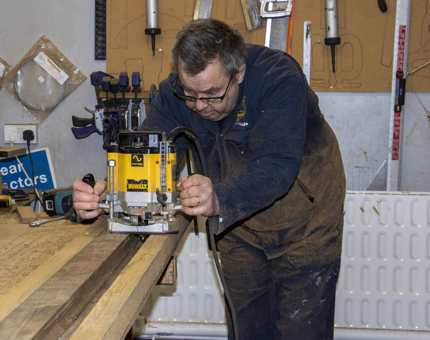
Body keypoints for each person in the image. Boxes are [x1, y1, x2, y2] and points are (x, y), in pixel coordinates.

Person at [73, 18, 346, 340]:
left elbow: (276, 166)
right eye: (190, 93)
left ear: (239, 73)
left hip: (305, 219)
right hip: (236, 224)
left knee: (300, 329)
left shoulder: (278, 78)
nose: (200, 106)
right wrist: (108, 194)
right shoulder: (173, 93)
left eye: (213, 94)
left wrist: (219, 198)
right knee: (248, 327)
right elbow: (144, 159)